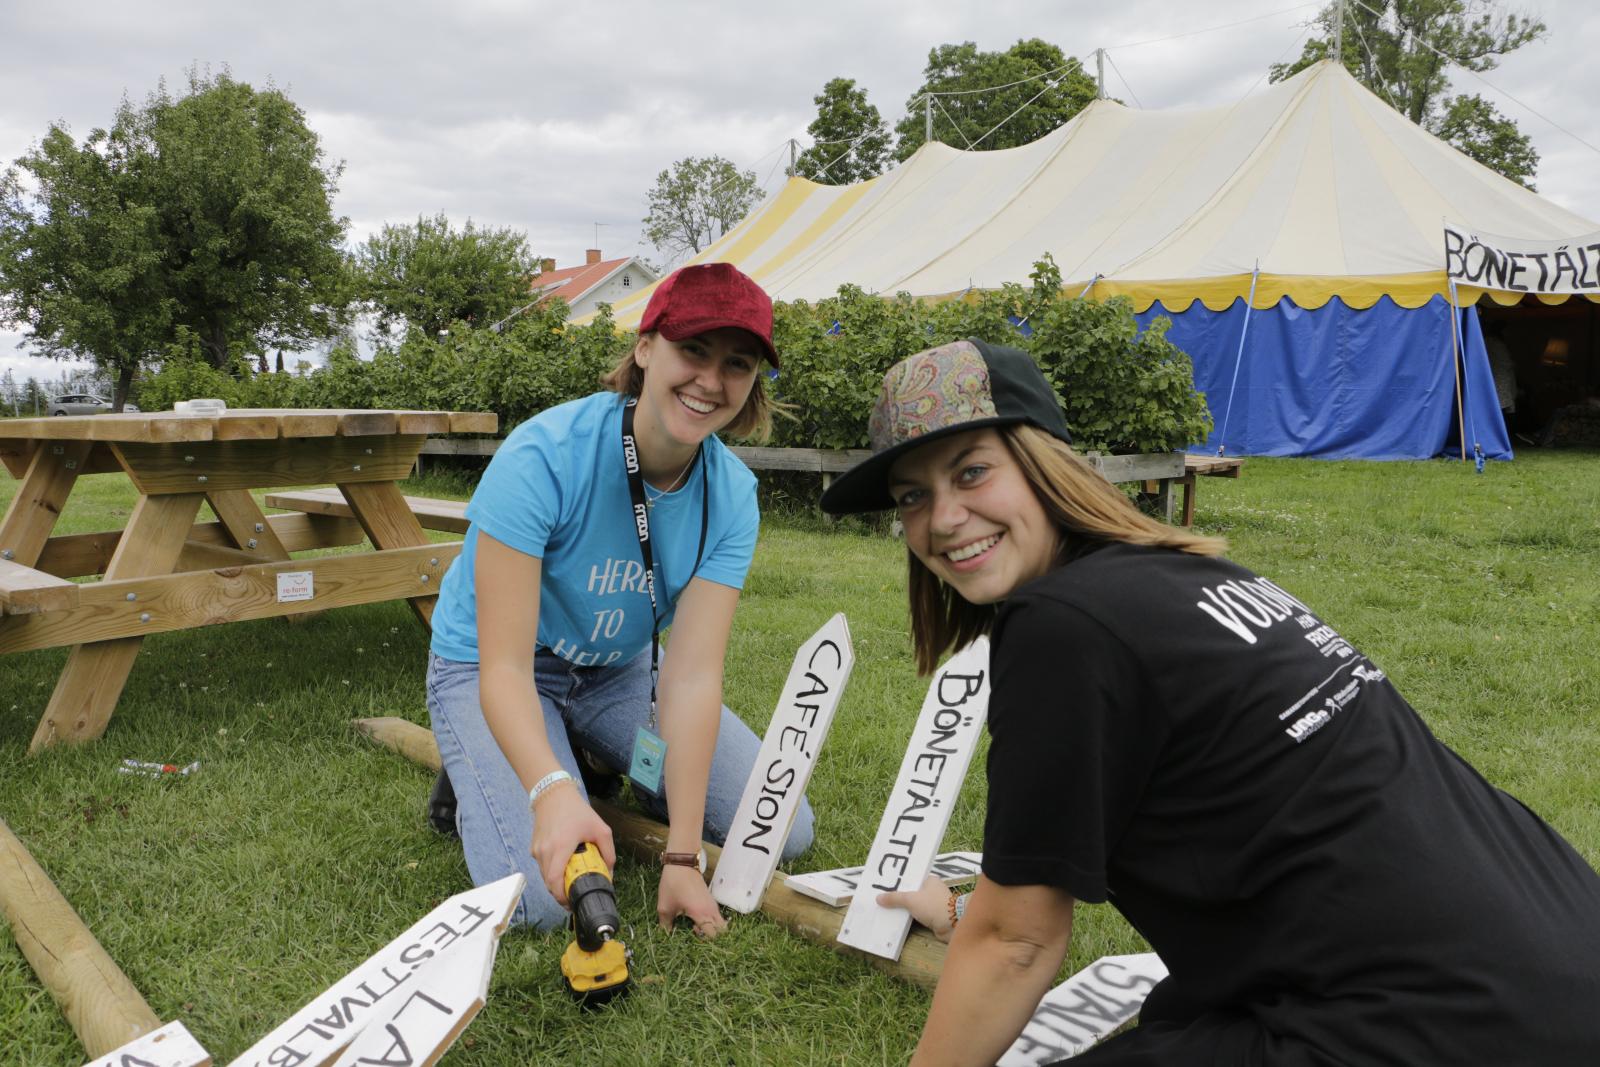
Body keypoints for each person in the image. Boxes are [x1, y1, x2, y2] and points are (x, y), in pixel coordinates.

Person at [820, 338, 1600, 1066]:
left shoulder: (1061, 627)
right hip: (1558, 953)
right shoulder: (1185, 575)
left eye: (970, 472)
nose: (942, 520)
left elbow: (1018, 943)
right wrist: (962, 918)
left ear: (1045, 463)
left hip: (1441, 1022)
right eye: (912, 496)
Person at [426, 262, 813, 934]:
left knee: (784, 826)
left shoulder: (732, 499)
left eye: (738, 364)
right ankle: (498, 769)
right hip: (494, 666)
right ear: (644, 348)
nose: (711, 381)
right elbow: (505, 666)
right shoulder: (542, 457)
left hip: (616, 672)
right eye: (692, 350)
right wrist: (549, 794)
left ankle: (580, 749)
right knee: (543, 903)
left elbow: (690, 677)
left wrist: (685, 854)